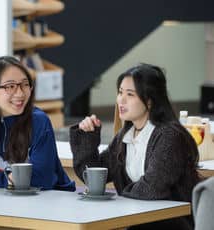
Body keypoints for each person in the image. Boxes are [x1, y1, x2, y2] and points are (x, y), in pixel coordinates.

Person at [69, 63, 200, 229]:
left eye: (130, 94)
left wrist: (114, 202)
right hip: (139, 224)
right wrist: (88, 136)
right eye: (120, 92)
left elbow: (151, 188)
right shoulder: (126, 135)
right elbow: (94, 176)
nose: (121, 100)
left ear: (150, 101)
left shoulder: (169, 136)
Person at [0, 56, 75, 191]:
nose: (20, 93)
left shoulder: (38, 121)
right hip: (5, 198)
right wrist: (8, 180)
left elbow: (43, 179)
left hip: (51, 198)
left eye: (25, 84)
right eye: (10, 86)